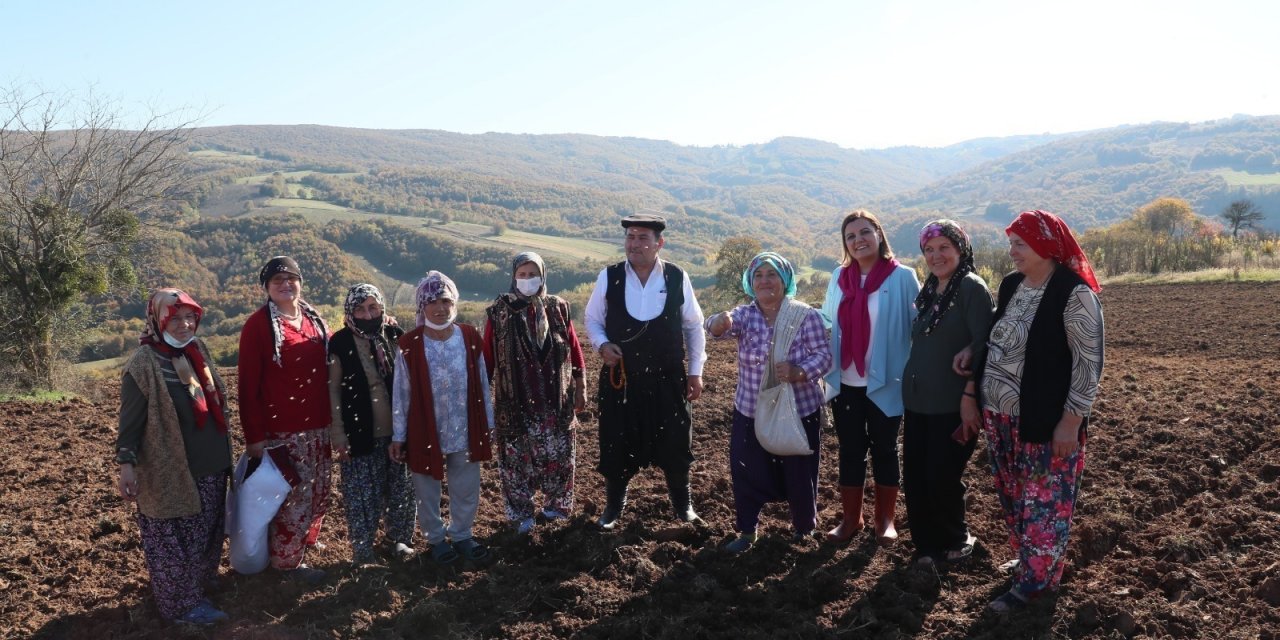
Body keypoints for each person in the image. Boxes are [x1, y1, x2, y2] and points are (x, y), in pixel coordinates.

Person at [959, 210, 1104, 613]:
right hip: (1001, 417)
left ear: (1046, 245)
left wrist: (1071, 422)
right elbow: (995, 338)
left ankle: (1035, 587)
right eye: (1011, 244)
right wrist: (973, 372)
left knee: (1045, 502)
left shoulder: (1073, 294)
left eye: (1019, 244)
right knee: (1016, 496)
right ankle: (1030, 562)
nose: (1012, 252)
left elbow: (1088, 364)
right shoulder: (1012, 286)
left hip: (1046, 420)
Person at [116, 288, 233, 625]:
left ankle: (198, 587)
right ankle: (180, 606)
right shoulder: (143, 364)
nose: (184, 324)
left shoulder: (198, 350)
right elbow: (131, 423)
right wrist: (126, 465)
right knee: (173, 541)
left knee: (208, 532)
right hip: (172, 472)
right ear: (158, 319)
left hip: (211, 464)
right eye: (175, 317)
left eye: (190, 317)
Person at [584, 212, 707, 529]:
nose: (634, 244)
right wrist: (601, 345)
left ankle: (684, 506)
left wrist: (695, 371)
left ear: (659, 243)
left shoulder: (677, 277)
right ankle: (613, 508)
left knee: (676, 443)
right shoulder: (609, 277)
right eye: (630, 237)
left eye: (642, 238)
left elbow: (693, 326)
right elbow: (593, 320)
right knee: (616, 442)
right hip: (622, 380)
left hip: (668, 379)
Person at [705, 252, 832, 553]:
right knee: (745, 470)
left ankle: (803, 531)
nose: (764, 281)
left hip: (798, 411)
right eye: (758, 275)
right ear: (750, 283)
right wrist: (718, 322)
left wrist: (800, 371)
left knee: (800, 474)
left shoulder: (805, 316)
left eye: (772, 275)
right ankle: (748, 532)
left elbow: (824, 356)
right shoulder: (745, 315)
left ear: (785, 281)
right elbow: (716, 328)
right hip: (750, 409)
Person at [821, 210, 920, 546]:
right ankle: (851, 519)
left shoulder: (902, 277)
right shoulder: (838, 277)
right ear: (845, 244)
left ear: (879, 234)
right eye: (850, 236)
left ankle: (885, 519)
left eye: (864, 232)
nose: (858, 240)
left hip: (886, 382)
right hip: (845, 380)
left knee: (885, 449)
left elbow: (918, 327)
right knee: (850, 450)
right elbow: (825, 320)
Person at [900, 220, 994, 566]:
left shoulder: (970, 287)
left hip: (952, 403)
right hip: (918, 401)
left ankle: (955, 537)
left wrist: (970, 395)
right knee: (916, 476)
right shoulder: (931, 289)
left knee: (942, 474)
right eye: (929, 249)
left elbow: (985, 340)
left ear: (960, 249)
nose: (936, 256)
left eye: (944, 248)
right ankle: (925, 545)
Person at [237, 256, 332, 583]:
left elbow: (336, 352)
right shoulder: (258, 326)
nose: (285, 284)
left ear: (301, 282)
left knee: (318, 490)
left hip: (319, 426)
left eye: (291, 278)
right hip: (284, 431)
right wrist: (254, 437)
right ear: (266, 287)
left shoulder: (313, 319)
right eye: (276, 280)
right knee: (293, 495)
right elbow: (248, 386)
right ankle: (286, 564)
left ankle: (301, 542)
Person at [390, 271, 495, 565]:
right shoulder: (409, 345)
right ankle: (436, 539)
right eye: (432, 301)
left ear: (455, 303)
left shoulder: (469, 337)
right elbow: (401, 393)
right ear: (422, 306)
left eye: (445, 300)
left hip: (465, 428)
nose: (439, 307)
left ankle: (462, 535)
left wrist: (488, 423)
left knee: (466, 487)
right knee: (427, 490)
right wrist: (399, 435)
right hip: (425, 430)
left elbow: (483, 384)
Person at [483, 252, 587, 536]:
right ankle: (521, 515)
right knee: (516, 463)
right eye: (523, 275)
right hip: (515, 405)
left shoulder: (558, 308)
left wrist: (581, 385)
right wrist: (482, 403)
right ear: (514, 277)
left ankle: (556, 510)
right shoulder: (499, 311)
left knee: (561, 457)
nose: (528, 280)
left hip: (556, 402)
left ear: (543, 276)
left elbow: (574, 347)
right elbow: (487, 359)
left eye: (533, 274)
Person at [327, 283, 417, 565]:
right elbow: (333, 392)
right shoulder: (340, 343)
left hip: (398, 432)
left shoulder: (393, 335)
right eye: (360, 309)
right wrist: (338, 436)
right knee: (362, 496)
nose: (368, 314)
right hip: (360, 434)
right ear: (350, 312)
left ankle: (399, 540)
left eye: (373, 308)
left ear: (382, 308)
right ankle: (363, 552)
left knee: (401, 489)